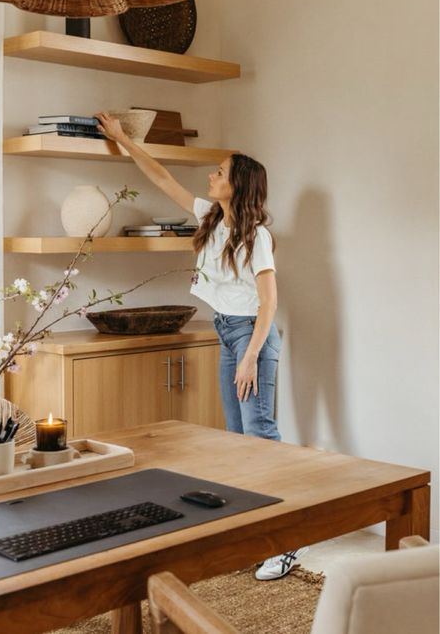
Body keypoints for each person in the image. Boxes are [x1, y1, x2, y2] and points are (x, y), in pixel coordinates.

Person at [95, 112, 308, 580]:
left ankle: (288, 543)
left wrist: (251, 355)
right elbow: (162, 177)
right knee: (236, 440)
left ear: (238, 185)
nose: (211, 177)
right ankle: (248, 535)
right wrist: (123, 141)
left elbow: (270, 302)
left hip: (253, 334)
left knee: (262, 438)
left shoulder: (259, 237)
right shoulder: (211, 221)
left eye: (220, 172)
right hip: (227, 331)